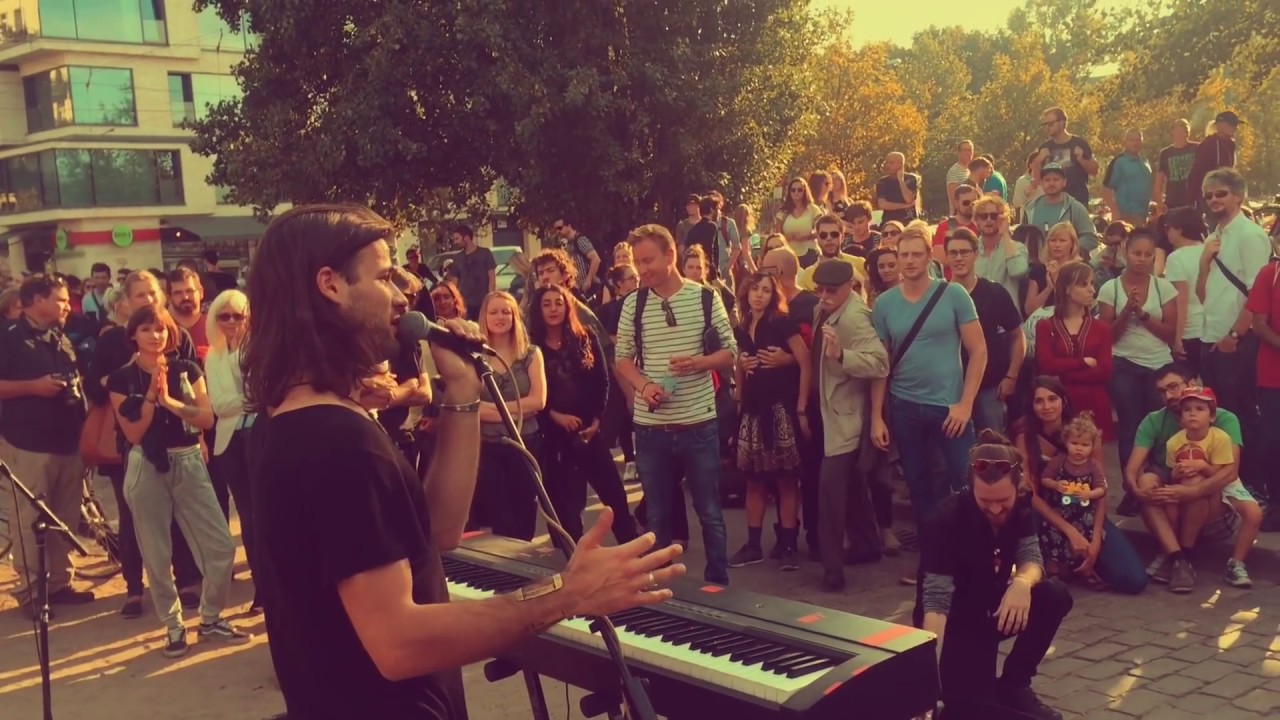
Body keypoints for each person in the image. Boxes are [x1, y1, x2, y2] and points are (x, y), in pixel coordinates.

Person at [245, 204, 685, 719]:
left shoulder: (294, 420)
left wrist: (461, 391)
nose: (401, 295)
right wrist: (565, 594)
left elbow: (434, 532)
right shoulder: (339, 443)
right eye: (384, 277)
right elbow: (400, 642)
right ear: (331, 285)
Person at [107, 304, 248, 655]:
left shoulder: (187, 369)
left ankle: (210, 618)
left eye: (160, 328)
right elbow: (134, 434)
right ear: (133, 335)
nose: (154, 335)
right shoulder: (121, 379)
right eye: (146, 329)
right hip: (145, 464)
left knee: (220, 547)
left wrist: (170, 402)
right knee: (157, 554)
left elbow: (206, 419)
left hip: (188, 460)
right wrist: (152, 397)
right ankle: (173, 627)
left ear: (171, 333)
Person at [916, 432, 1072, 720]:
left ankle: (1015, 684)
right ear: (970, 488)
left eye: (1003, 500)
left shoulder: (1022, 503)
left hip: (993, 608)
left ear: (1017, 486)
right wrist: (928, 680)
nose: (996, 508)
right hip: (954, 625)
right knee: (972, 709)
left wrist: (1022, 583)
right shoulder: (942, 522)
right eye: (985, 501)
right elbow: (936, 603)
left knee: (1053, 594)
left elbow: (1031, 557)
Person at [615, 223, 735, 586]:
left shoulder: (705, 297)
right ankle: (661, 587)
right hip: (651, 429)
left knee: (709, 511)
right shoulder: (634, 303)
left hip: (698, 424)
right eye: (638, 262)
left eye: (648, 260)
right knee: (658, 516)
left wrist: (699, 362)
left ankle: (718, 584)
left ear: (670, 256)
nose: (642, 269)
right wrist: (644, 385)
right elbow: (622, 359)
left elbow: (730, 353)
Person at [0, 275, 95, 618]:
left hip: (67, 442)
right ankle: (31, 593)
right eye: (60, 299)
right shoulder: (9, 337)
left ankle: (59, 583)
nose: (67, 305)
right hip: (28, 444)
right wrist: (33, 387)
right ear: (37, 300)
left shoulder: (60, 336)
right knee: (30, 521)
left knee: (63, 517)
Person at [1015, 377, 1147, 595]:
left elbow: (1101, 488)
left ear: (1064, 400)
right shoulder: (1025, 436)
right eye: (1039, 401)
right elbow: (1030, 493)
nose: (1046, 406)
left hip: (1085, 510)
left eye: (1052, 399)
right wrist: (1071, 532)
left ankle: (1082, 562)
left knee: (1134, 580)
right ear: (1031, 405)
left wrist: (1095, 539)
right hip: (1046, 512)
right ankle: (1055, 563)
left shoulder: (1085, 432)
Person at [529, 284, 637, 548]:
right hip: (554, 437)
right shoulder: (532, 347)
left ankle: (633, 550)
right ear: (538, 310)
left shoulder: (585, 337)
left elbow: (602, 381)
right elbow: (531, 392)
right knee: (567, 506)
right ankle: (573, 558)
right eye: (547, 304)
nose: (553, 309)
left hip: (589, 431)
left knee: (614, 495)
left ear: (567, 306)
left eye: (558, 303)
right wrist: (555, 416)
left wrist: (597, 420)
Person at [810, 261, 889, 591]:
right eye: (819, 289)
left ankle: (832, 569)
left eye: (831, 290)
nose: (824, 296)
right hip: (831, 412)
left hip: (846, 416)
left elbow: (880, 363)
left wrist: (842, 355)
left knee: (831, 491)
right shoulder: (825, 309)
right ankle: (867, 544)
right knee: (852, 484)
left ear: (848, 287)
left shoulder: (855, 317)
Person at [728, 272, 810, 572]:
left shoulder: (781, 322)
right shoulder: (742, 326)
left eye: (765, 290)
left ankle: (788, 545)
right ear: (746, 293)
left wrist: (801, 407)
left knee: (786, 480)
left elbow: (806, 360)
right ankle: (753, 545)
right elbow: (740, 363)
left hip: (781, 409)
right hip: (752, 410)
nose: (759, 295)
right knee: (753, 480)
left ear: (774, 295)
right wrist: (739, 390)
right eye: (755, 289)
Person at [1163, 386, 1261, 588]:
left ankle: (1236, 564)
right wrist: (1177, 473)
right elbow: (1172, 472)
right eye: (1187, 410)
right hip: (1193, 484)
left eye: (1200, 409)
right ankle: (1174, 555)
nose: (1192, 413)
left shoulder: (1221, 437)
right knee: (1174, 500)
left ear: (1212, 416)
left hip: (1223, 480)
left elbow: (1222, 471)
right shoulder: (1174, 442)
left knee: (1254, 513)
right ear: (1180, 419)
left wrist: (1202, 466)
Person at [203, 290, 261, 612]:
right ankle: (260, 584)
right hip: (228, 442)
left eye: (237, 315)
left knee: (265, 513)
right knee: (247, 516)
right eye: (223, 315)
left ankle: (272, 585)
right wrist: (246, 401)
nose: (231, 321)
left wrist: (242, 400)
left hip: (259, 436)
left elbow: (261, 394)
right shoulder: (212, 357)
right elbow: (218, 406)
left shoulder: (258, 352)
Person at [475, 291, 545, 541]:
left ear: (515, 316)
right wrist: (517, 409)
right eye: (493, 312)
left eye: (506, 311)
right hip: (488, 447)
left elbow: (538, 401)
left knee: (525, 510)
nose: (500, 317)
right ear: (484, 316)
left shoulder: (531, 353)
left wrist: (491, 408)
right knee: (500, 516)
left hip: (525, 443)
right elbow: (473, 408)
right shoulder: (474, 356)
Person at [1034, 262, 1115, 441]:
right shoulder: (1045, 326)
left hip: (1094, 402)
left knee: (1094, 453)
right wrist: (1083, 362)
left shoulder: (1102, 328)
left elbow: (1105, 371)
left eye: (1092, 284)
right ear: (1067, 289)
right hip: (1059, 404)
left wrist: (1062, 375)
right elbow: (1046, 366)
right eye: (1084, 284)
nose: (1092, 290)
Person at [1035, 413, 1108, 579]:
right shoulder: (1059, 460)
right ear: (1066, 442)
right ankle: (1055, 568)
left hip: (1083, 513)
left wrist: (1089, 493)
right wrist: (1055, 485)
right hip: (1060, 510)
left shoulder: (1093, 465)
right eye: (1074, 443)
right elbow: (1044, 479)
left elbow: (1102, 488)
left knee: (1087, 533)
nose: (1079, 448)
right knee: (1053, 534)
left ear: (1092, 446)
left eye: (1085, 445)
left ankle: (1085, 567)